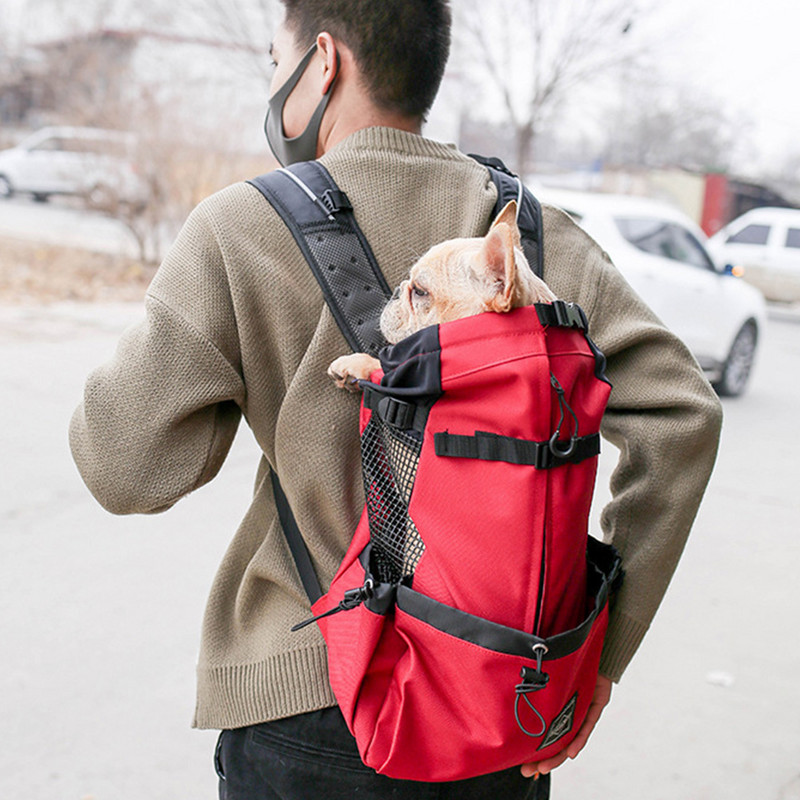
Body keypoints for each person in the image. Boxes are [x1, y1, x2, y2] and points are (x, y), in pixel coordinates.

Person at [68, 1, 723, 797]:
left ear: (324, 62)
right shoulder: (531, 241)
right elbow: (683, 413)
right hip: (498, 702)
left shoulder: (238, 228)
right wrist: (601, 655)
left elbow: (127, 470)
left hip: (303, 699)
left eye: (275, 66)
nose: (273, 87)